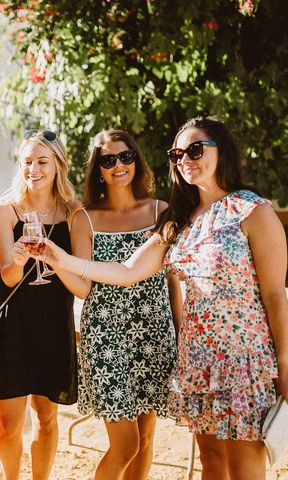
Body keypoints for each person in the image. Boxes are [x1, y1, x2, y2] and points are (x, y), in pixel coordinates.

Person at [40, 117, 288, 480]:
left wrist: (284, 360)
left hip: (243, 360)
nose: (185, 158)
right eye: (178, 153)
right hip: (198, 361)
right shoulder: (179, 219)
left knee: (243, 466)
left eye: (196, 149)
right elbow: (126, 272)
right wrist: (58, 258)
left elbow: (274, 293)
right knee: (212, 463)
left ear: (223, 151)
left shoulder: (254, 211)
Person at [66, 129, 178, 480]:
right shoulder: (84, 219)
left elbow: (172, 280)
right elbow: (82, 289)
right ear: (98, 169)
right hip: (106, 337)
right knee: (126, 443)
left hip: (155, 334)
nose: (118, 165)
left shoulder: (162, 211)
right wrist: (55, 262)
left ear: (136, 160)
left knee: (145, 438)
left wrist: (180, 331)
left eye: (125, 156)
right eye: (108, 160)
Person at [0, 129, 80, 480]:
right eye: (27, 162)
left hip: (54, 324)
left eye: (42, 161)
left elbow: (82, 271)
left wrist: (55, 259)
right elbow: (8, 278)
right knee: (9, 425)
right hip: (14, 327)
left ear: (58, 165)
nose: (34, 169)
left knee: (47, 416)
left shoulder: (73, 212)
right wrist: (21, 255)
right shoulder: (6, 210)